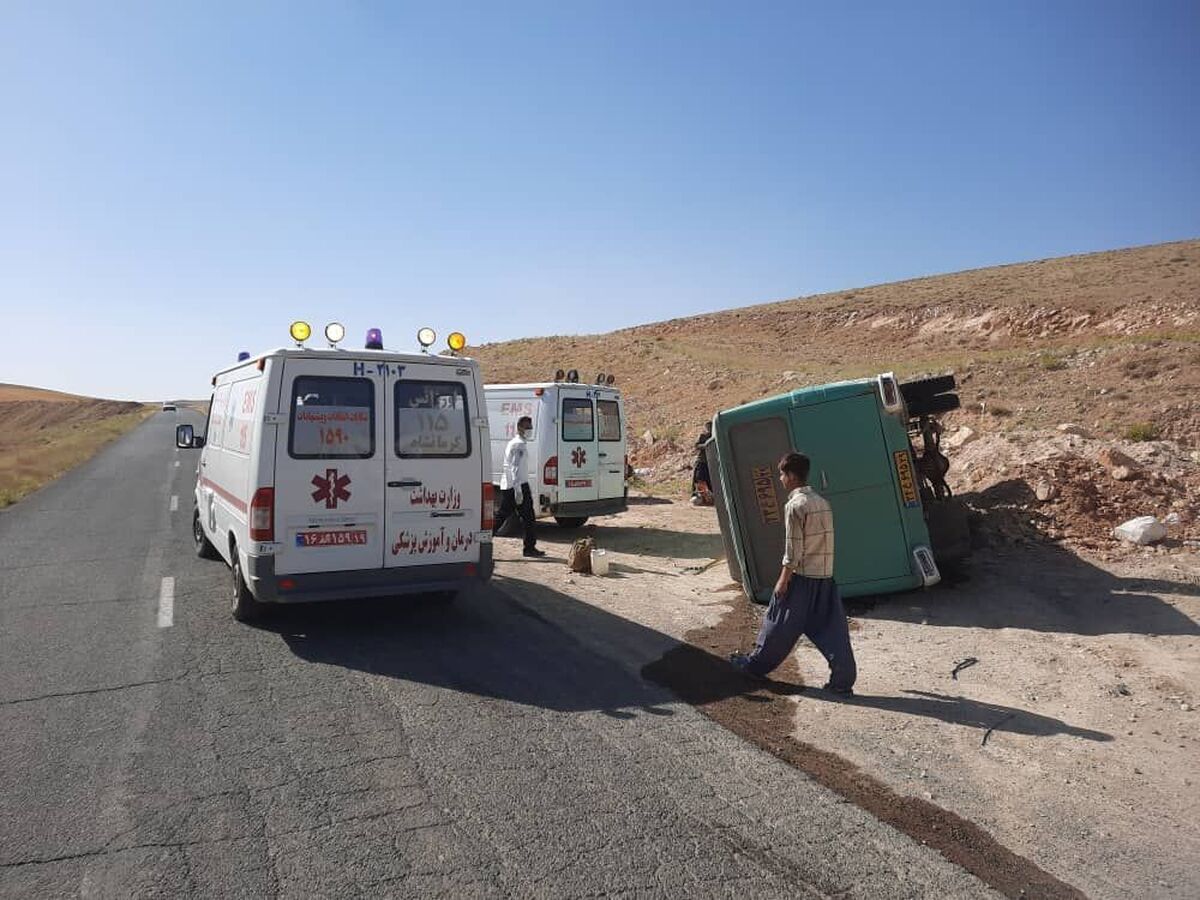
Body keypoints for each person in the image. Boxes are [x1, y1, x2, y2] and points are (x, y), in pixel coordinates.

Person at [729, 451, 857, 693]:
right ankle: (843, 681)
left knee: (777, 626)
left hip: (802, 580)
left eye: (781, 474)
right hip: (825, 578)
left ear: (791, 476)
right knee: (833, 632)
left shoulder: (795, 505)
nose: (780, 479)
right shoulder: (822, 503)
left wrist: (783, 580)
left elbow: (793, 550)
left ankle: (754, 667)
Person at [494, 415, 545, 558]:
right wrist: (518, 491)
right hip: (516, 486)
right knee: (526, 518)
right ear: (520, 428)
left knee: (506, 516)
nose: (530, 429)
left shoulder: (517, 443)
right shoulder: (518, 445)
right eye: (527, 427)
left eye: (531, 427)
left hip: (514, 485)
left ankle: (529, 547)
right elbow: (514, 468)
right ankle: (529, 548)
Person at [690, 421, 714, 506]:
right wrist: (706, 445)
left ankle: (709, 497)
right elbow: (697, 446)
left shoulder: (715, 437)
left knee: (710, 481)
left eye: (710, 427)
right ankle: (700, 497)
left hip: (711, 462)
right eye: (708, 427)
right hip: (702, 461)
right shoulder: (703, 436)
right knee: (699, 479)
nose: (709, 429)